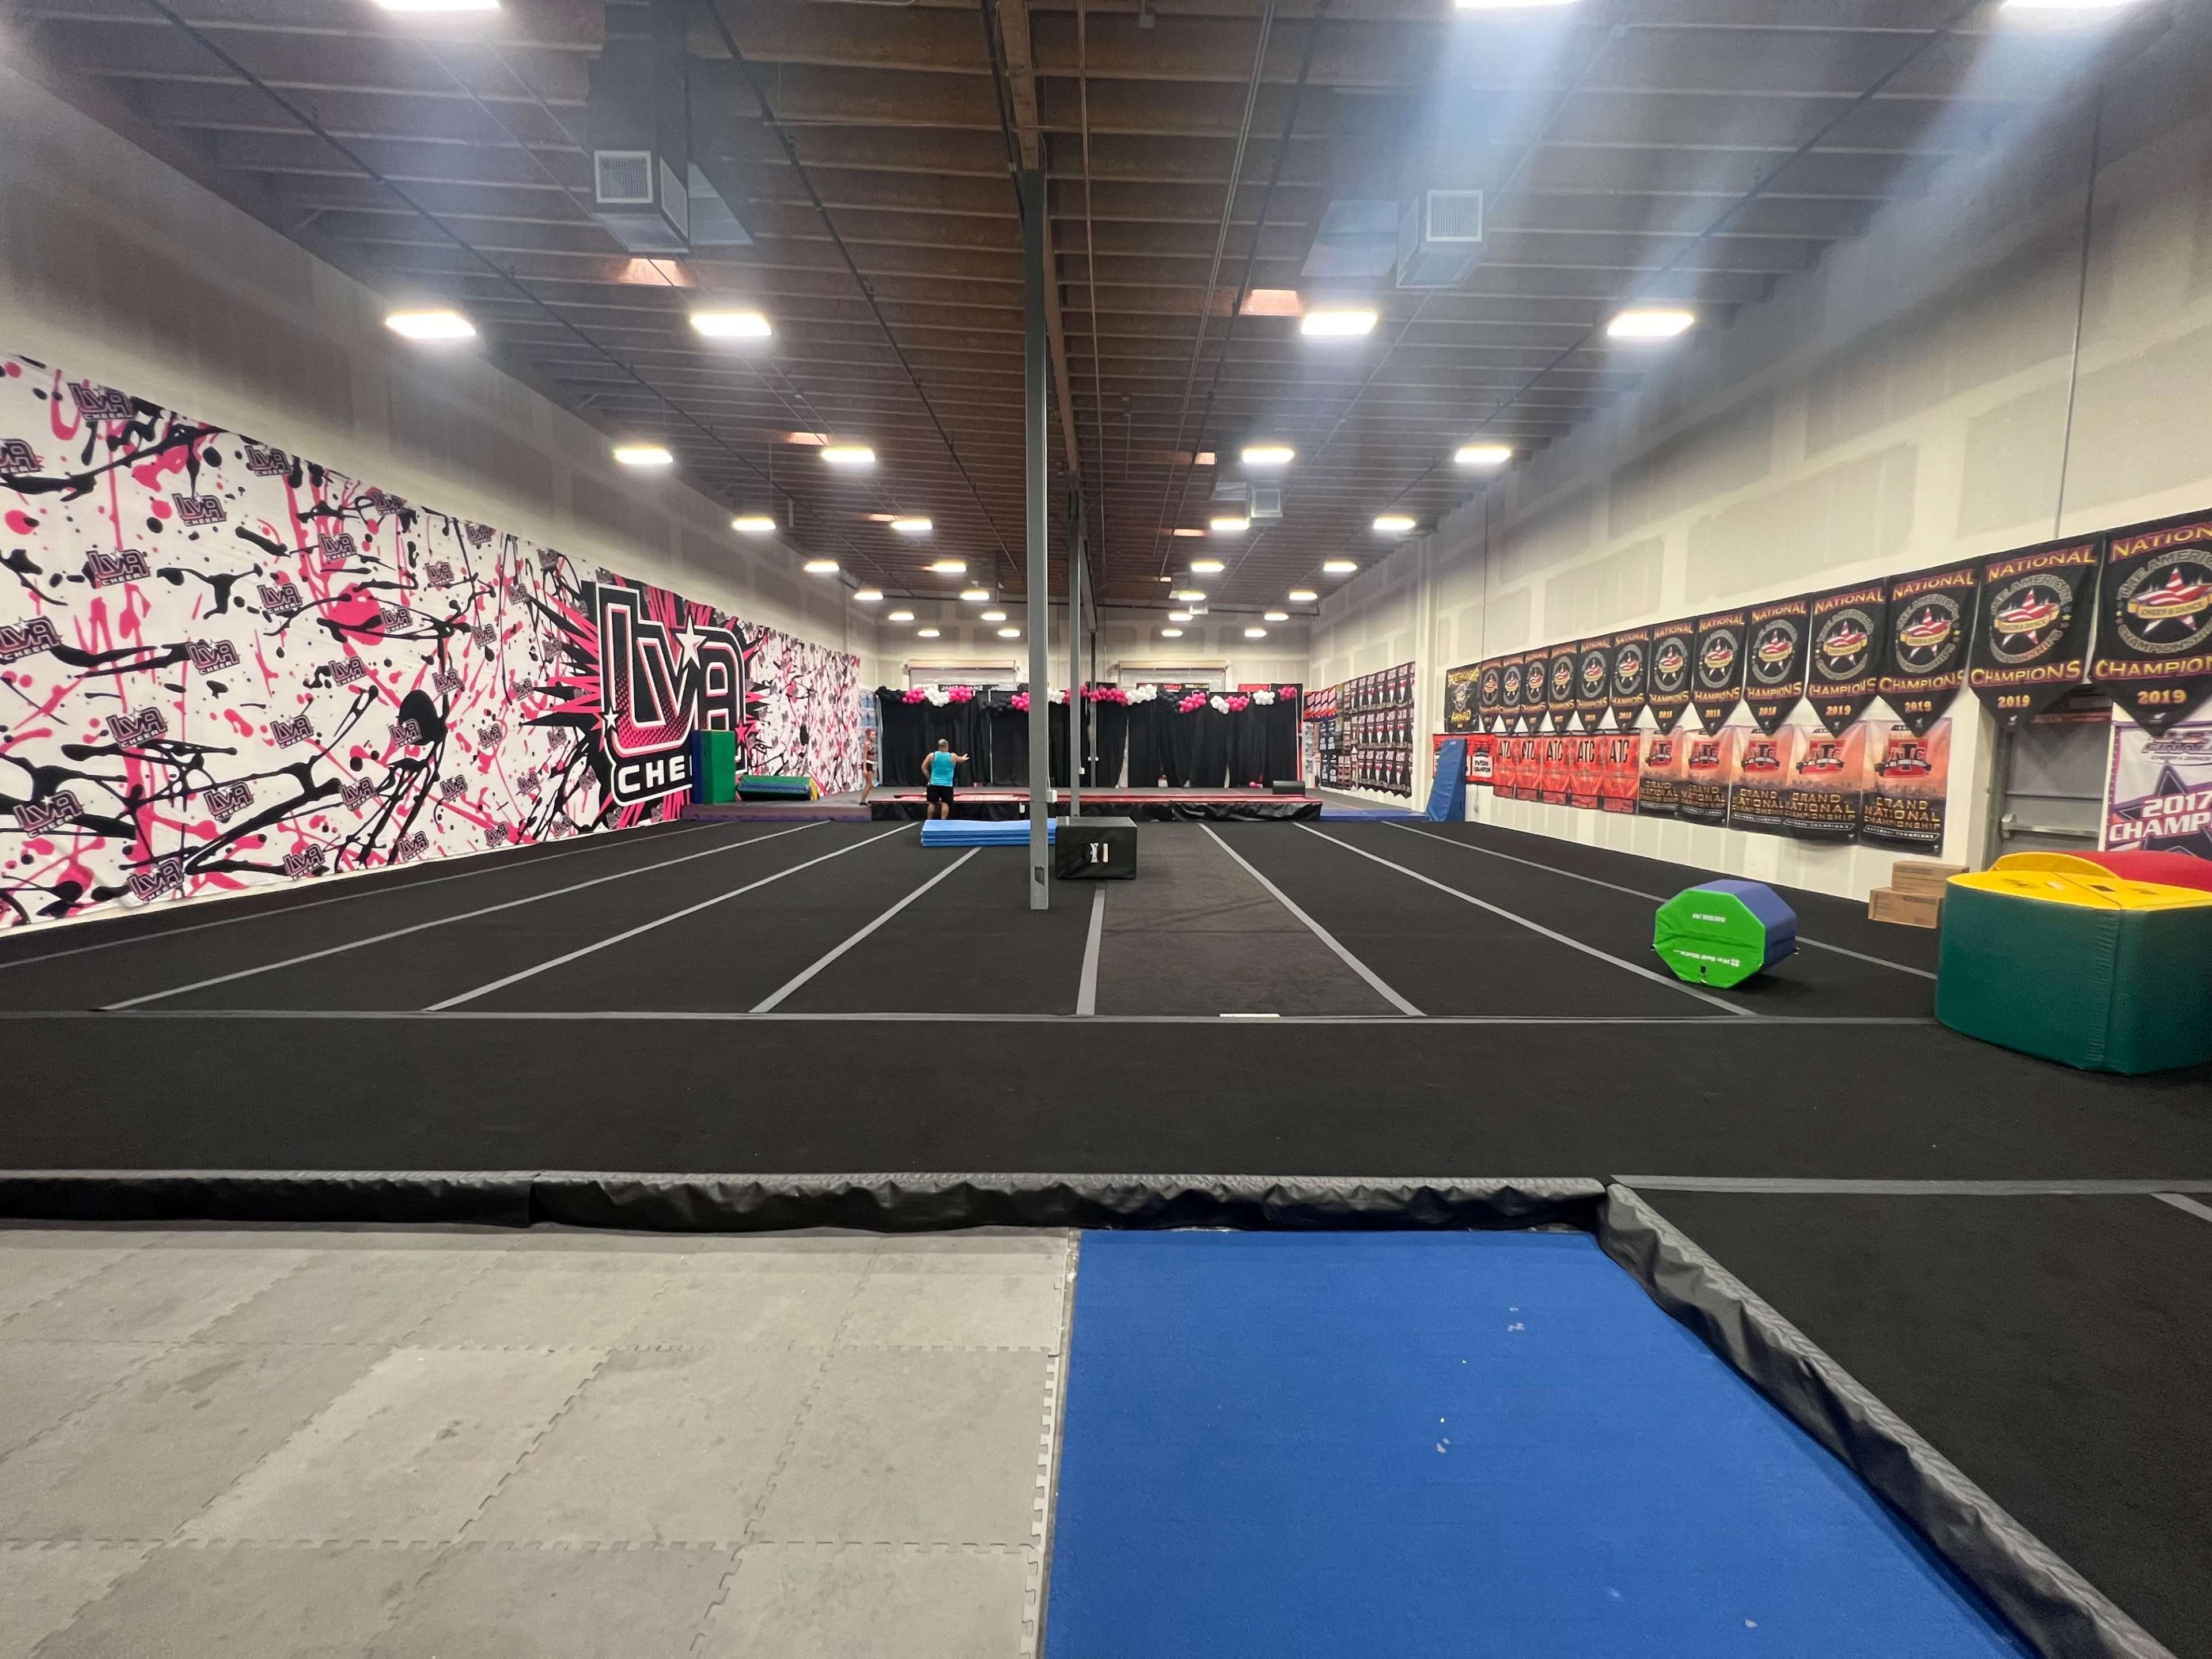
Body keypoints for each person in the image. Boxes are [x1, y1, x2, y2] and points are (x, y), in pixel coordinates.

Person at [923, 739, 967, 819]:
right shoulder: (953, 756)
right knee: (945, 803)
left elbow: (924, 768)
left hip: (934, 784)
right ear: (947, 746)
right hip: (947, 785)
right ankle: (943, 821)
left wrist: (929, 778)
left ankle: (929, 821)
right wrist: (963, 758)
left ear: (939, 747)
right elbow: (961, 760)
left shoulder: (932, 756)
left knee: (932, 803)